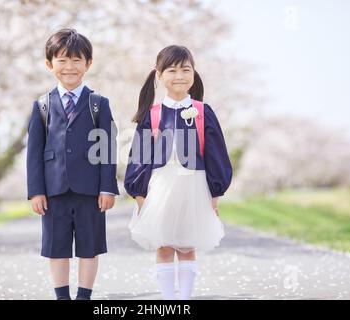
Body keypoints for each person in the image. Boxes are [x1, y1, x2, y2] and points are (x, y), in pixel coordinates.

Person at [124, 45, 232, 300]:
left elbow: (216, 155)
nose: (179, 75)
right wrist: (139, 194)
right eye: (171, 70)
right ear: (159, 76)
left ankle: (184, 299)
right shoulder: (151, 115)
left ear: (194, 74)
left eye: (186, 69)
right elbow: (139, 158)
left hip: (194, 186)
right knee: (163, 245)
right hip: (160, 187)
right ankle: (168, 299)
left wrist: (215, 193)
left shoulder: (203, 112)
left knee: (186, 245)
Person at [26, 28, 119, 300]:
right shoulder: (41, 106)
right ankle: (62, 296)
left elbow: (108, 150)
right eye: (62, 60)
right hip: (53, 191)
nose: (70, 67)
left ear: (88, 64)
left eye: (77, 60)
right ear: (49, 64)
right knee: (56, 247)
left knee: (89, 247)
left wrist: (107, 188)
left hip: (91, 191)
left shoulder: (99, 104)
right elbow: (34, 152)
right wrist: (36, 190)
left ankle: (84, 296)